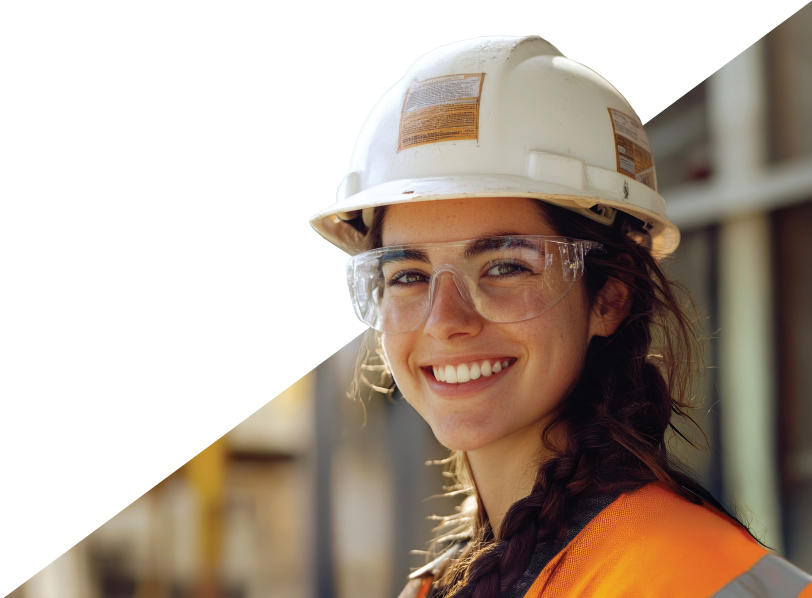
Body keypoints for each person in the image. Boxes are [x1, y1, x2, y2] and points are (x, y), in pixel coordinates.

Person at [310, 36, 812, 598]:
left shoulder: (684, 577)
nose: (444, 320)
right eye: (407, 275)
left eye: (504, 267)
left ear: (609, 297)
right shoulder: (441, 587)